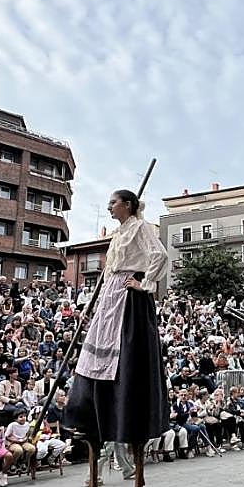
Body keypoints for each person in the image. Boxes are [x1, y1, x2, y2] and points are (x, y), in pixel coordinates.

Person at [65, 189, 169, 450]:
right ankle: (90, 415)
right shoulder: (118, 234)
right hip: (110, 294)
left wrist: (144, 282)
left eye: (113, 202)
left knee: (125, 351)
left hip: (128, 296)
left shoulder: (140, 227)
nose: (109, 206)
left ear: (128, 205)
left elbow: (160, 255)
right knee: (96, 352)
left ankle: (125, 417)